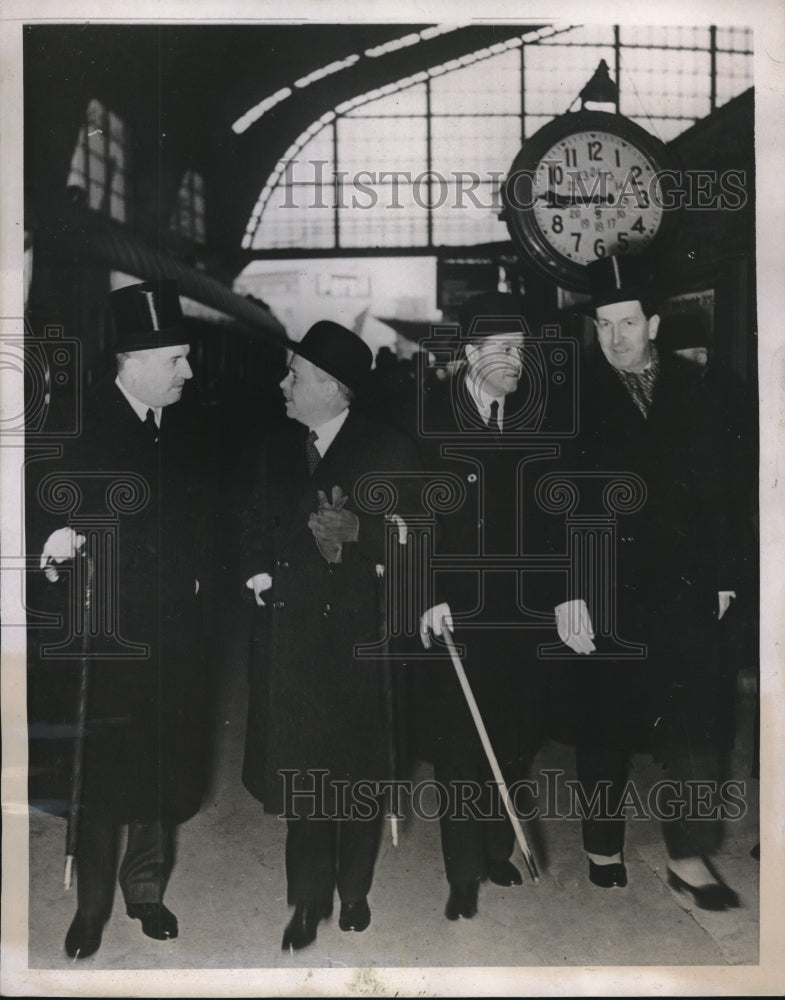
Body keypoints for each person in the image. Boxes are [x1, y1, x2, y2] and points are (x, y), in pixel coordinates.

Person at [553, 255, 742, 908]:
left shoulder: (703, 389)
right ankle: (602, 844)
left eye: (627, 321)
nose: (615, 336)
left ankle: (688, 858)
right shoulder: (569, 395)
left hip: (685, 585)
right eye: (603, 324)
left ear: (652, 323)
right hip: (602, 584)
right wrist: (568, 592)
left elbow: (724, 491)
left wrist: (722, 577)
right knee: (604, 724)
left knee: (693, 726)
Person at [32, 279, 211, 958]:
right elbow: (40, 498)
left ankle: (146, 891)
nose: (188, 373)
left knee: (159, 764)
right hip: (101, 627)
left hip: (170, 628)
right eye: (176, 360)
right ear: (131, 363)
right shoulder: (78, 422)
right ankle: (90, 909)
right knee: (103, 771)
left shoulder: (187, 422)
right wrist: (57, 532)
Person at [240, 320, 421, 952]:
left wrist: (361, 536)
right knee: (303, 774)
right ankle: (306, 901)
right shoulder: (275, 448)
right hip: (292, 635)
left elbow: (418, 545)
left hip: (356, 637)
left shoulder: (388, 450)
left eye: (296, 375)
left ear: (334, 388)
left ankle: (355, 892)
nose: (283, 383)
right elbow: (255, 524)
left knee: (356, 772)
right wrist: (258, 570)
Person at [418, 292, 555, 921]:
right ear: (470, 354)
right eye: (501, 350)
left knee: (512, 735)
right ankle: (461, 872)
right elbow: (411, 520)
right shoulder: (429, 421)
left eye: (520, 351)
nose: (514, 362)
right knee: (458, 743)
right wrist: (426, 593)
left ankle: (498, 849)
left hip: (519, 613)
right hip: (455, 610)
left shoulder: (533, 420)